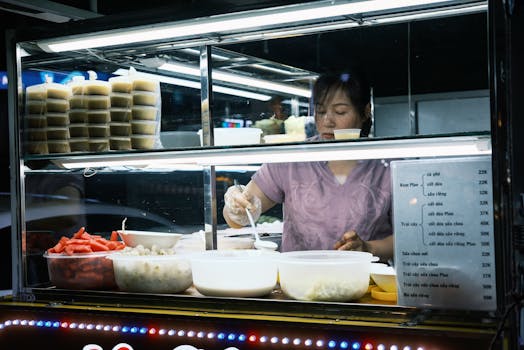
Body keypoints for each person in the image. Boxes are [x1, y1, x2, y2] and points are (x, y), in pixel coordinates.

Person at [223, 70, 393, 262]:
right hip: (298, 284)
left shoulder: (386, 165)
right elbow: (238, 219)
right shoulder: (292, 159)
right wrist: (236, 206)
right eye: (320, 111)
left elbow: (409, 237)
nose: (327, 120)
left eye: (340, 112)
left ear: (365, 112)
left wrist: (368, 248)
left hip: (366, 286)